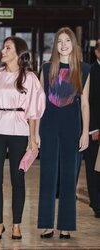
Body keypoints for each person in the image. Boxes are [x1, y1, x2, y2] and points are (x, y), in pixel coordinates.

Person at [0, 36, 45, 240]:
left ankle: (16, 225)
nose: (3, 50)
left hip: (20, 131)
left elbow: (33, 111)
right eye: (4, 47)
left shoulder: (29, 77)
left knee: (18, 179)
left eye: (8, 47)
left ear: (18, 52)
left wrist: (33, 138)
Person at [37, 27, 90, 239]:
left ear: (73, 44)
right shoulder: (47, 67)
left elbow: (85, 104)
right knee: (47, 174)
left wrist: (85, 132)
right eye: (60, 41)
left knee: (69, 175)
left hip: (71, 126)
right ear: (55, 45)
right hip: (48, 125)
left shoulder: (84, 69)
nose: (64, 44)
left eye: (68, 41)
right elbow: (39, 103)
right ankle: (47, 224)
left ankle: (66, 225)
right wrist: (36, 133)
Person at [84, 40, 100, 218]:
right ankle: (97, 204)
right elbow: (88, 103)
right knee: (94, 169)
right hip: (95, 129)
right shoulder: (91, 71)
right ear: (97, 52)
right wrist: (93, 128)